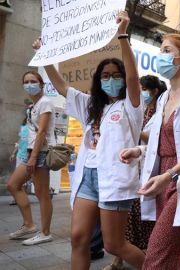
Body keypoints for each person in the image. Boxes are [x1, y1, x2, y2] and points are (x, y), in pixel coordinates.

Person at [36, 11, 145, 269]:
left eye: (115, 75)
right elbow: (62, 87)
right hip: (88, 178)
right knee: (78, 238)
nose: (110, 79)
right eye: (105, 76)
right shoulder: (90, 106)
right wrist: (46, 56)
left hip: (115, 179)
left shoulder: (131, 105)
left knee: (114, 245)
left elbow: (132, 78)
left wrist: (122, 35)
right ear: (98, 81)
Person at [119, 33, 180, 269]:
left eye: (166, 51)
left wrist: (169, 175)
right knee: (175, 257)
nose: (159, 56)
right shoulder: (163, 98)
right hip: (161, 180)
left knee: (156, 254)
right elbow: (160, 140)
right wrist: (139, 151)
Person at [104, 75, 166, 270]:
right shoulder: (140, 109)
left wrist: (133, 129)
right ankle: (119, 260)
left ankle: (146, 259)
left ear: (154, 91)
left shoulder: (161, 112)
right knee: (126, 219)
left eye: (144, 89)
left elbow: (156, 139)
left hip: (148, 169)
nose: (141, 93)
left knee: (141, 219)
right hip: (132, 166)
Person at [7, 71, 55, 245]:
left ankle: (45, 232)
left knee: (42, 194)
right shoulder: (34, 106)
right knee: (13, 185)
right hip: (30, 152)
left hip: (40, 153)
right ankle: (29, 225)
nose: (29, 84)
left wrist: (33, 157)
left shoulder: (45, 103)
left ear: (41, 84)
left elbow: (42, 132)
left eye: (33, 81)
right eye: (26, 81)